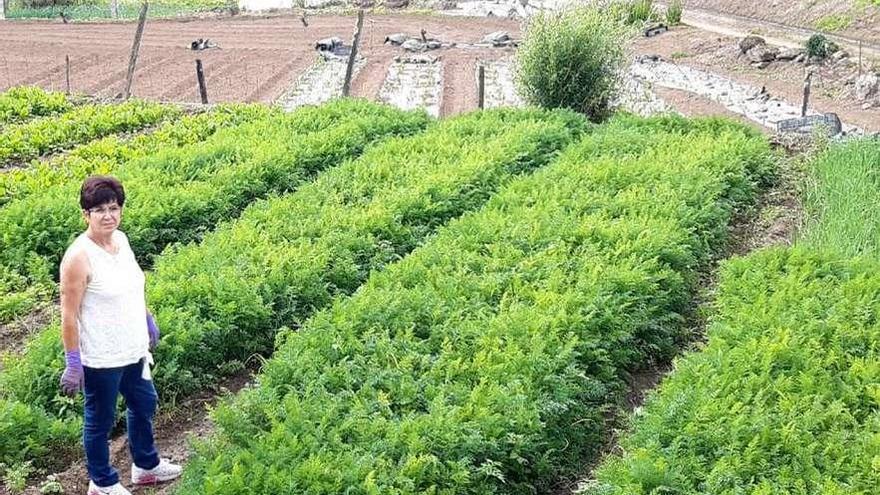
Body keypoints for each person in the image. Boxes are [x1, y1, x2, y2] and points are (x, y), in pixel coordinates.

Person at [59, 176, 181, 495]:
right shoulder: (78, 257)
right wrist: (73, 362)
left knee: (144, 403)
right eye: (99, 209)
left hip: (133, 348)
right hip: (101, 356)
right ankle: (102, 483)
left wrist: (147, 318)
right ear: (86, 214)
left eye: (113, 207)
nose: (108, 215)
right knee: (99, 421)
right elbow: (68, 315)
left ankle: (145, 466)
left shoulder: (121, 241)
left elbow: (132, 285)